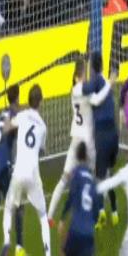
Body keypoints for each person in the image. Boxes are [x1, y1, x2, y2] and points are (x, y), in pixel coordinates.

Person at [48, 58, 115, 226]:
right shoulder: (82, 90)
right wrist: (110, 83)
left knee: (64, 178)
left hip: (75, 139)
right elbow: (97, 100)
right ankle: (101, 209)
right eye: (84, 73)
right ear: (78, 75)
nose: (87, 76)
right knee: (99, 175)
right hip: (87, 140)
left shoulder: (74, 90)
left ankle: (49, 215)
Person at [1, 85, 50, 256]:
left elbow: (6, 128)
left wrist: (8, 116)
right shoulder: (43, 126)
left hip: (18, 172)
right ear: (40, 102)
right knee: (43, 216)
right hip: (33, 175)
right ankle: (48, 253)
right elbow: (42, 150)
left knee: (8, 208)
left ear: (28, 101)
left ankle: (7, 241)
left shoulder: (21, 116)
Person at [81, 52, 119, 228]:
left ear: (92, 67)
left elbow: (93, 98)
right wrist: (110, 83)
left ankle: (101, 212)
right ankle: (114, 211)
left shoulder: (95, 82)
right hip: (113, 133)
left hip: (102, 134)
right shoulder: (103, 80)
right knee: (107, 173)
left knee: (99, 176)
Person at [0, 85, 24, 254]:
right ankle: (18, 246)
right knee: (17, 205)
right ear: (17, 98)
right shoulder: (16, 115)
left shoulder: (1, 114)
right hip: (3, 166)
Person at [58, 142, 98, 256]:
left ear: (76, 156)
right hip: (89, 233)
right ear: (86, 156)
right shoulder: (92, 179)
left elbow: (71, 197)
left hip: (76, 230)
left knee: (63, 252)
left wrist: (62, 219)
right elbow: (96, 209)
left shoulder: (75, 174)